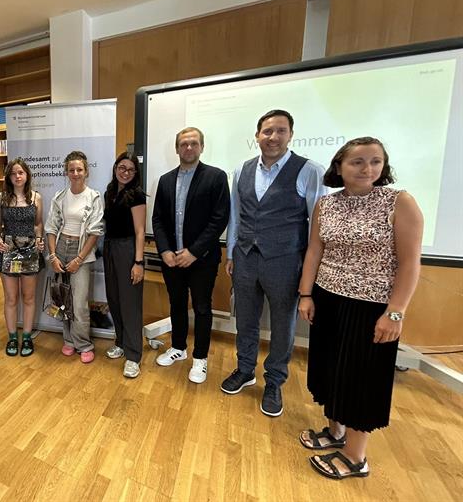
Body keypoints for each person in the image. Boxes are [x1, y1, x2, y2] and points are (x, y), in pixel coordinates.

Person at [296, 137, 422, 480]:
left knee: (361, 378)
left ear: (384, 166)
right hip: (328, 298)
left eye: (375, 162)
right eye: (358, 162)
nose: (367, 169)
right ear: (340, 167)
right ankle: (335, 431)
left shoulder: (400, 202)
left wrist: (395, 312)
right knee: (329, 369)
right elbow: (314, 251)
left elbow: (411, 263)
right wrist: (306, 295)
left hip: (372, 307)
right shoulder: (327, 204)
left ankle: (355, 456)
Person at [222, 109, 327, 417]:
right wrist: (231, 254)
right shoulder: (242, 170)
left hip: (285, 261)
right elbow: (236, 216)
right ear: (257, 135)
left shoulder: (310, 170)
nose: (273, 137)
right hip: (245, 258)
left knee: (283, 325)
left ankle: (274, 381)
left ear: (290, 135)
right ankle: (245, 370)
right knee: (246, 320)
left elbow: (316, 229)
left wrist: (309, 273)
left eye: (280, 131)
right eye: (267, 131)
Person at [151, 128, 230, 383]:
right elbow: (158, 219)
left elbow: (219, 219)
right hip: (171, 259)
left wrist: (194, 252)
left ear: (201, 147)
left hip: (202, 260)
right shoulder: (164, 180)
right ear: (177, 149)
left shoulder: (216, 177)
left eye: (193, 143)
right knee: (176, 305)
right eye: (183, 144)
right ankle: (178, 348)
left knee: (202, 308)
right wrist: (164, 250)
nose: (188, 148)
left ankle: (200, 359)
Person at [45, 151, 105, 364]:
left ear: (86, 171)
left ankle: (84, 344)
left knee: (79, 303)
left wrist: (79, 258)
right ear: (66, 172)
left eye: (79, 169)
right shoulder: (60, 197)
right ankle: (69, 340)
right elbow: (51, 228)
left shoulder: (94, 197)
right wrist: (52, 256)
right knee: (62, 299)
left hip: (82, 252)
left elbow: (95, 232)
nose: (75, 173)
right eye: (71, 170)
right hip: (61, 249)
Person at [0, 158, 45, 357]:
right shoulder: (2, 198)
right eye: (14, 173)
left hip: (30, 251)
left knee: (29, 297)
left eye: (21, 173)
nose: (18, 176)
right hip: (9, 252)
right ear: (9, 176)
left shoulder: (36, 197)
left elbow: (39, 224)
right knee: (11, 298)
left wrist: (39, 239)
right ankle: (13, 337)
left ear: (27, 175)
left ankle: (28, 337)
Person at [102, 152, 148, 378]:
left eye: (130, 169)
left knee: (130, 303)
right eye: (122, 167)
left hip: (129, 250)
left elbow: (140, 232)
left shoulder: (136, 195)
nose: (126, 172)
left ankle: (133, 355)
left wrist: (138, 262)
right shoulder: (109, 192)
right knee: (114, 298)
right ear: (115, 167)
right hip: (110, 248)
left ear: (135, 173)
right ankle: (120, 342)